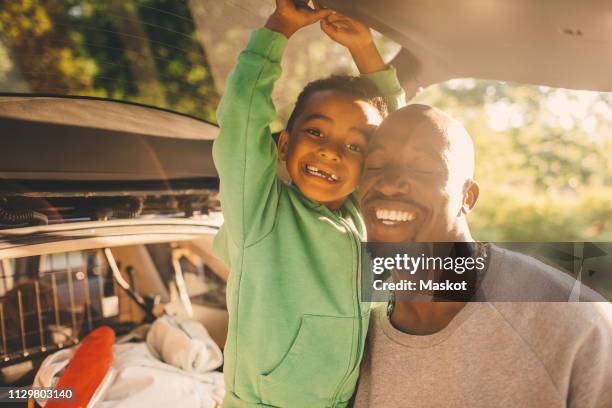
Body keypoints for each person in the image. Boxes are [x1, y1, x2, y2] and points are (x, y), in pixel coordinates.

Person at [212, 0, 405, 406]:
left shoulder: (360, 218)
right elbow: (240, 120)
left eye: (355, 145)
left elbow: (398, 141)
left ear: (370, 165)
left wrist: (365, 50)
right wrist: (280, 26)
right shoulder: (262, 212)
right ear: (284, 145)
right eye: (316, 132)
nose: (332, 152)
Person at [354, 104, 612, 407]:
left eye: (422, 167)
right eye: (375, 165)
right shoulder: (353, 329)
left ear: (468, 197)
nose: (387, 182)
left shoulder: (573, 319)